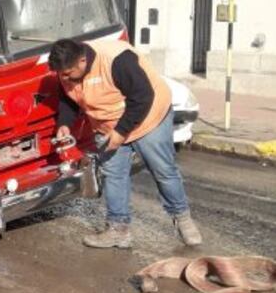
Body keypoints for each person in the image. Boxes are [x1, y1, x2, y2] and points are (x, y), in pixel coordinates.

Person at [48, 38, 201, 249]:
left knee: (163, 170)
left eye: (67, 74)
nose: (64, 78)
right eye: (61, 75)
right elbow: (68, 100)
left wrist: (121, 132)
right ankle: (118, 230)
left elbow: (143, 96)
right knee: (113, 175)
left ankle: (183, 219)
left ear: (82, 60)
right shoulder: (66, 68)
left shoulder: (117, 60)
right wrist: (64, 124)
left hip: (148, 118)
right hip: (107, 125)